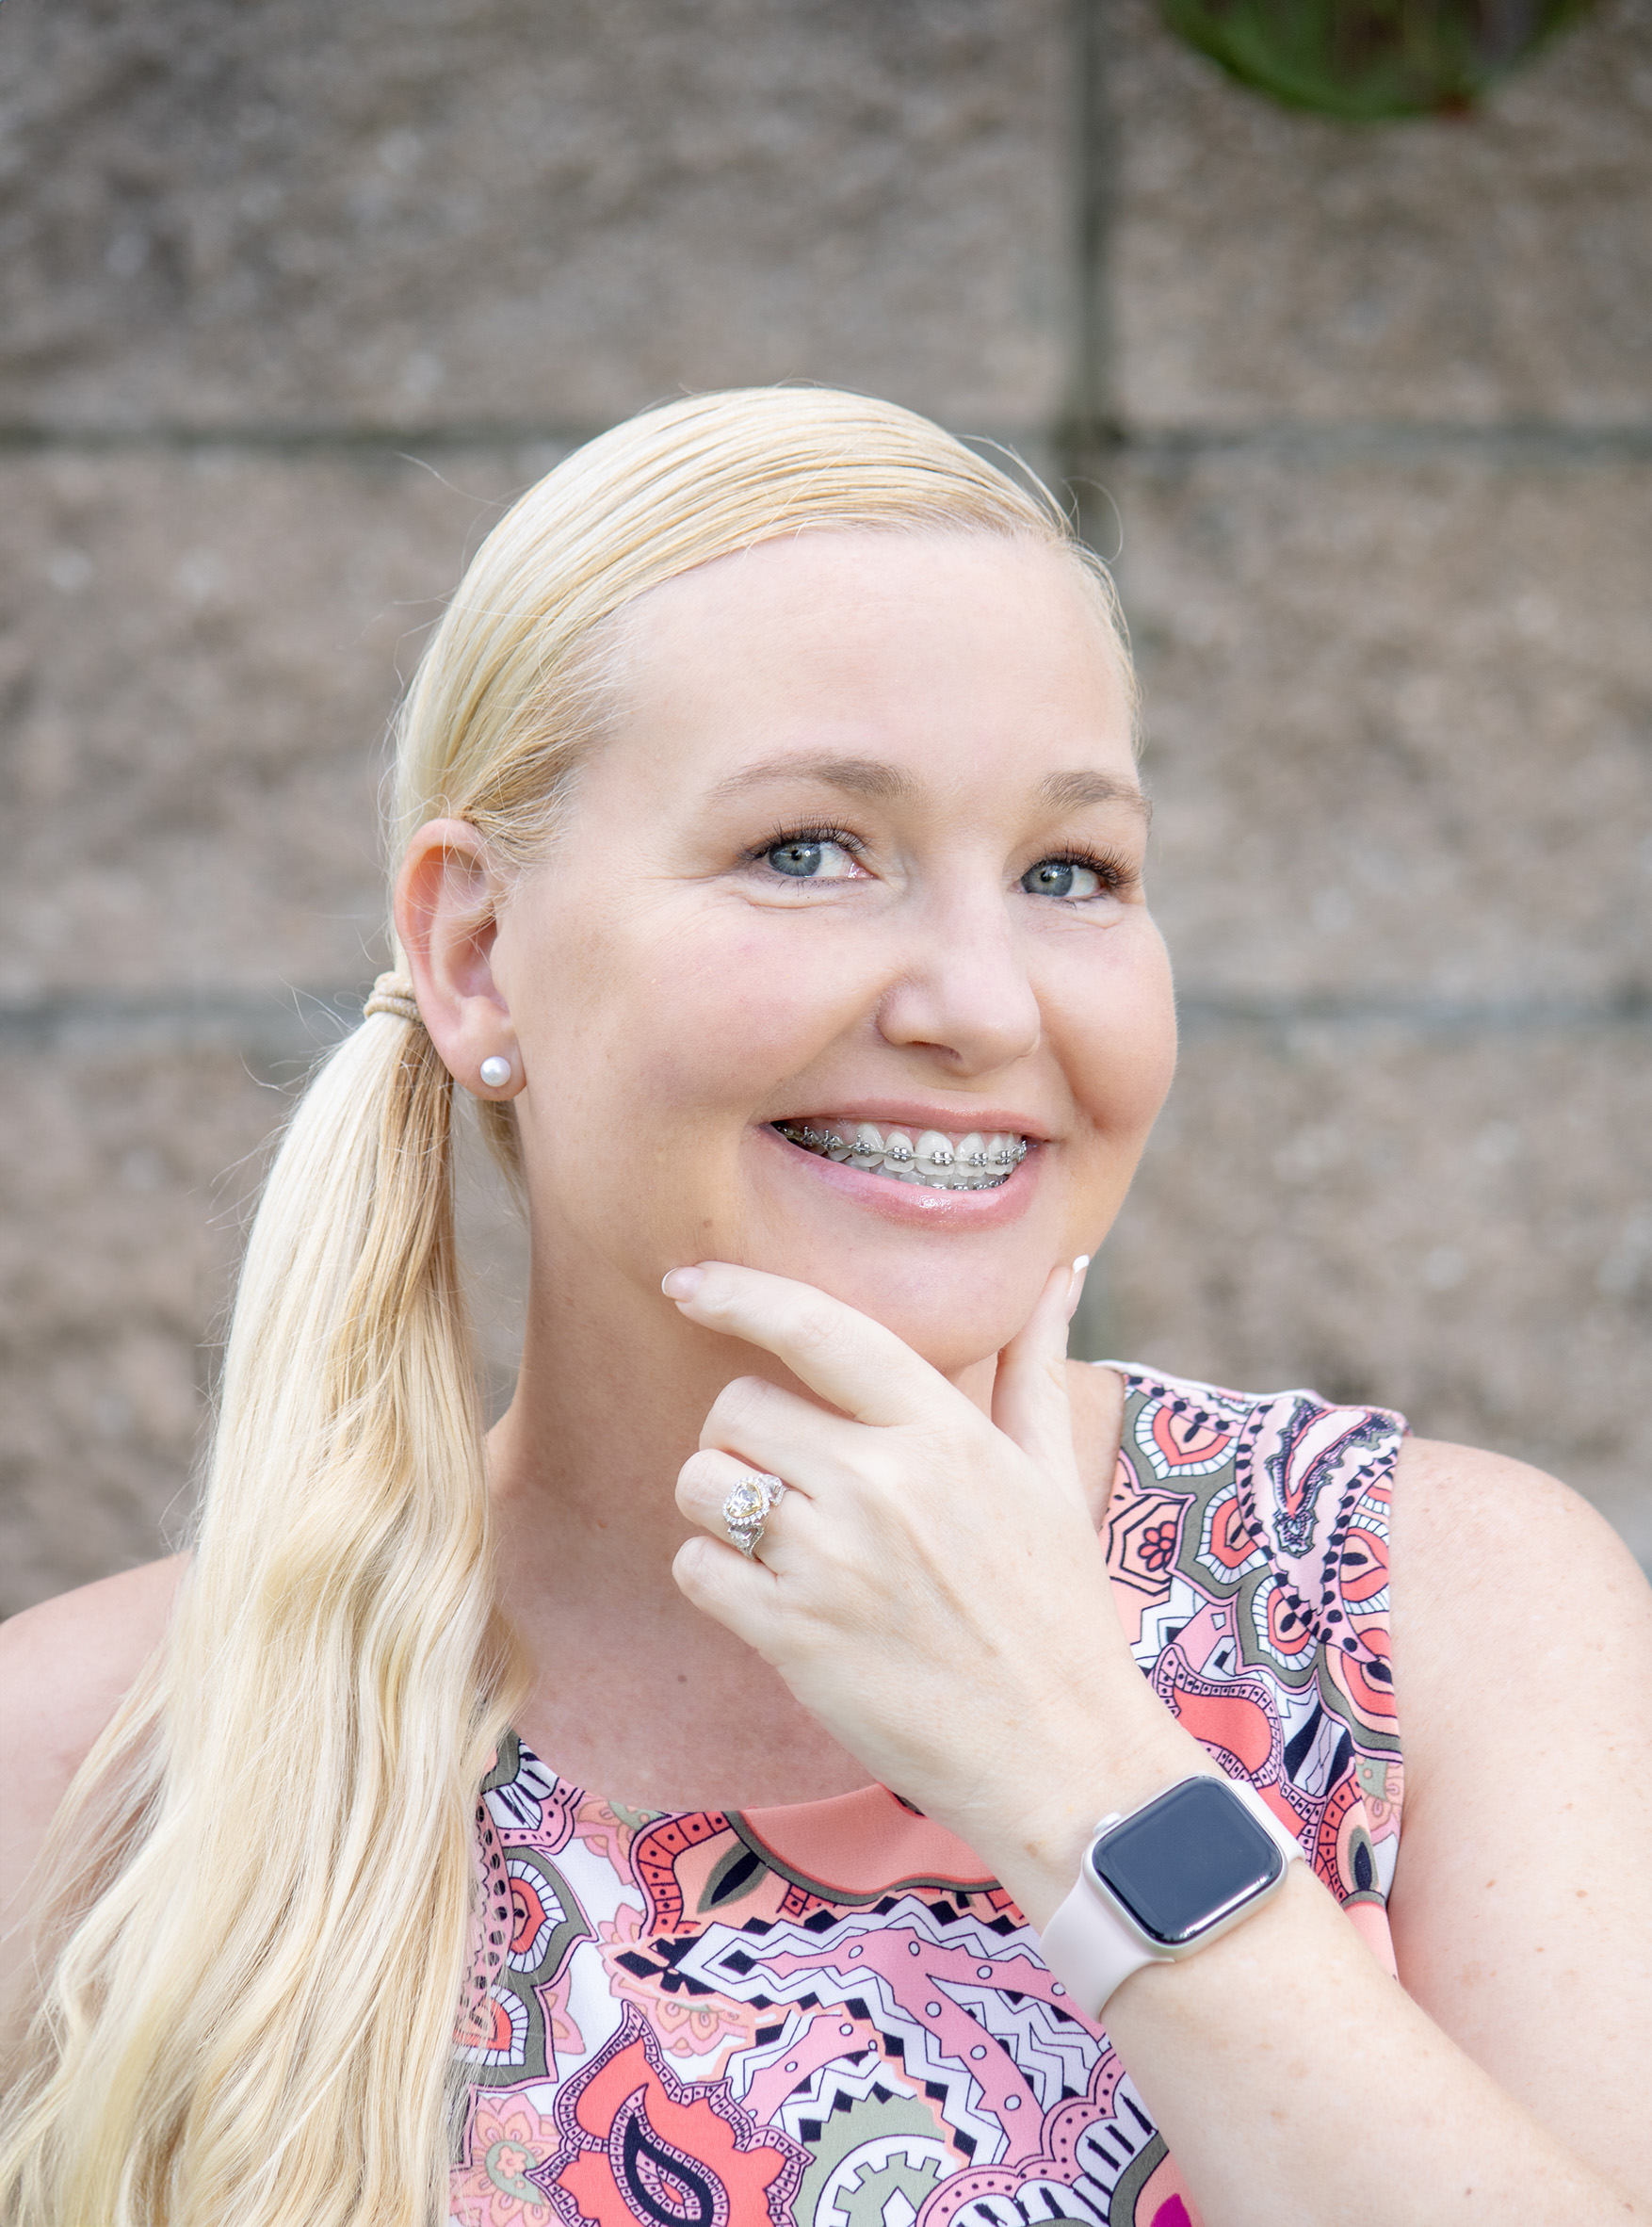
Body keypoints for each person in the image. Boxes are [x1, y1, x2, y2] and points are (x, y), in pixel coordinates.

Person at [1, 387, 1648, 2227]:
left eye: (1067, 873)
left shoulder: (1437, 1623)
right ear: (476, 954)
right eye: (807, 849)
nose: (980, 1002)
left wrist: (1070, 1764)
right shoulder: (94, 1763)